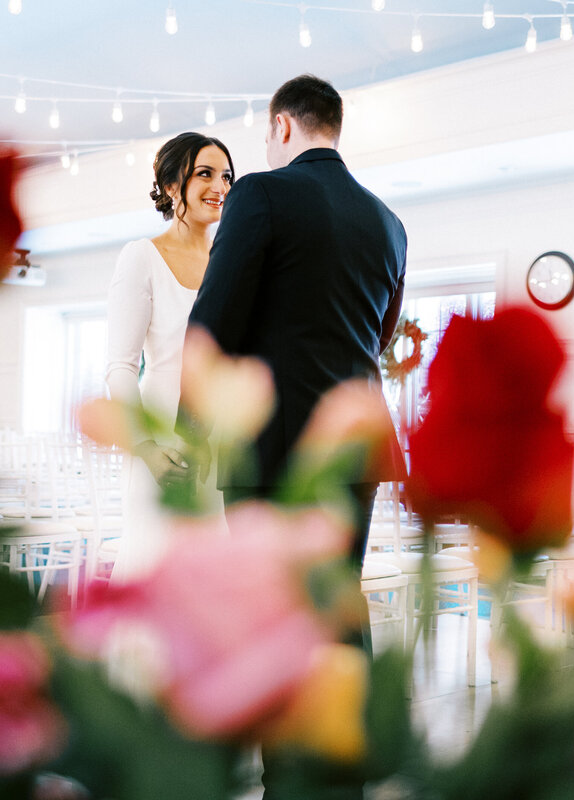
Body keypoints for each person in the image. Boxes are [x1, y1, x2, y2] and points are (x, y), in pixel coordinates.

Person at [184, 75, 407, 798]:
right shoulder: (388, 222)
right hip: (356, 446)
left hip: (273, 445)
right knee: (336, 610)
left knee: (273, 623)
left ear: (282, 126)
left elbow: (213, 321)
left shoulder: (263, 194)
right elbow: (375, 338)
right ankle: (341, 775)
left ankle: (290, 785)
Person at [104, 132, 235, 583]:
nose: (219, 186)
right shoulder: (142, 256)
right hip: (160, 443)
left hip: (217, 448)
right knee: (156, 572)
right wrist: (147, 450)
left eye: (226, 176)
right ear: (172, 184)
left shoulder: (230, 263)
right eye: (205, 174)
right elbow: (119, 367)